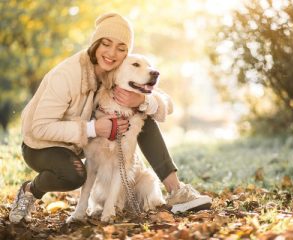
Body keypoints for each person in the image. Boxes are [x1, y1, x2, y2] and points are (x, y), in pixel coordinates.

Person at [9, 12, 212, 223]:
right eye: (106, 43)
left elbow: (166, 104)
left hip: (77, 144)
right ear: (95, 44)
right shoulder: (67, 75)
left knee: (143, 115)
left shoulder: (116, 71)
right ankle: (31, 190)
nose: (112, 53)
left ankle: (176, 191)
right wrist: (94, 129)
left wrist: (140, 101)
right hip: (40, 145)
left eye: (121, 48)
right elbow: (39, 128)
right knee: (74, 175)